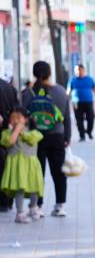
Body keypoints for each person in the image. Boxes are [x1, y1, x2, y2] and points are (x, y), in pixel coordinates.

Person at [20, 61, 72, 217]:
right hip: (57, 136)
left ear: (34, 73)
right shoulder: (61, 92)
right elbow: (66, 118)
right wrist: (67, 137)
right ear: (50, 73)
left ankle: (37, 206)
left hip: (35, 138)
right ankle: (60, 205)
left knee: (37, 172)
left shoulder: (27, 93)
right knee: (59, 173)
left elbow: (23, 117)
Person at [1, 110, 44, 223]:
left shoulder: (34, 132)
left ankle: (33, 207)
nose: (15, 121)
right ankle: (20, 213)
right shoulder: (6, 133)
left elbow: (31, 139)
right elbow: (10, 142)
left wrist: (21, 131)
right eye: (13, 118)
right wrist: (16, 130)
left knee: (35, 187)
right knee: (20, 188)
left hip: (31, 165)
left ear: (26, 119)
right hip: (16, 166)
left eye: (18, 118)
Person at [0, 78, 19, 212]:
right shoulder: (8, 87)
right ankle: (6, 201)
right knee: (6, 164)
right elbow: (17, 110)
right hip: (8, 132)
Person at [69, 64, 95, 141]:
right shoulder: (72, 80)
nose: (78, 72)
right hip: (76, 103)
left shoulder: (89, 79)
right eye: (76, 70)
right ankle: (82, 135)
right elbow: (68, 91)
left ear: (83, 70)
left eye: (79, 70)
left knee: (91, 118)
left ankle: (89, 131)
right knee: (79, 120)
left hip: (88, 102)